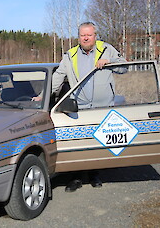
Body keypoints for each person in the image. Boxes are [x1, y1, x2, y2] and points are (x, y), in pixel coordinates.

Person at [51, 22, 127, 191]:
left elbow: (124, 67)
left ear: (95, 35)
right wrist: (44, 95)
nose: (85, 38)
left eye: (89, 35)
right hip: (79, 108)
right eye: (82, 35)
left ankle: (94, 174)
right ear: (78, 37)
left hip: (102, 106)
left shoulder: (106, 49)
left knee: (98, 142)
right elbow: (58, 76)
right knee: (79, 142)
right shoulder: (70, 55)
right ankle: (76, 178)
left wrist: (110, 61)